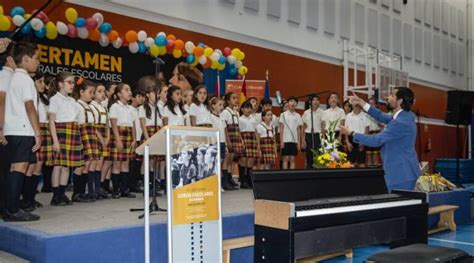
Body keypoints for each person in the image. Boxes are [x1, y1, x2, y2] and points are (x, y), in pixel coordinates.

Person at [340, 87, 420, 191]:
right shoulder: (405, 116)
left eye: (392, 95)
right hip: (403, 171)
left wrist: (351, 133)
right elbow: (380, 115)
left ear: (400, 101)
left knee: (397, 205)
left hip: (400, 173)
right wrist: (361, 102)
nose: (388, 97)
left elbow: (376, 141)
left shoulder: (400, 122)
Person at [3, 42, 41, 221]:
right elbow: (29, 106)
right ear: (25, 59)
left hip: (12, 129)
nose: (37, 62)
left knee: (13, 168)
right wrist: (38, 132)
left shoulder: (13, 78)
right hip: (23, 130)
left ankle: (9, 207)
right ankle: (12, 210)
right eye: (35, 59)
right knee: (20, 168)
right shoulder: (25, 79)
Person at [49, 71, 82, 206]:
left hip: (72, 131)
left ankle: (62, 194)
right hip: (60, 132)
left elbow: (77, 118)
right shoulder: (54, 99)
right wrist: (55, 141)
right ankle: (55, 196)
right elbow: (51, 121)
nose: (72, 85)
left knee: (67, 166)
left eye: (73, 82)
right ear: (60, 84)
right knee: (58, 165)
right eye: (69, 82)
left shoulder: (72, 100)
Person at [22, 73, 49, 211]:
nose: (43, 84)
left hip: (44, 129)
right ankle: (26, 200)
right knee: (30, 167)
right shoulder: (31, 98)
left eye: (44, 82)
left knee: (38, 167)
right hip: (34, 129)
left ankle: (31, 198)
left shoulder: (44, 99)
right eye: (40, 81)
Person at [72, 79, 100, 202]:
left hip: (90, 135)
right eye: (90, 92)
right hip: (81, 135)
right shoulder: (76, 105)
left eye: (93, 92)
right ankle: (76, 193)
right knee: (81, 165)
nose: (92, 95)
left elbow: (92, 125)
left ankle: (83, 192)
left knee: (88, 164)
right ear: (81, 92)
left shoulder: (89, 107)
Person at [108, 83, 137, 198]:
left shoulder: (131, 108)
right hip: (119, 134)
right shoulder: (115, 107)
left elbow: (133, 125)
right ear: (119, 94)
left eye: (130, 90)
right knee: (117, 163)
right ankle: (115, 190)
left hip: (128, 134)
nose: (129, 92)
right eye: (126, 90)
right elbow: (113, 124)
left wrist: (134, 139)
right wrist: (118, 139)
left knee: (126, 163)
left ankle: (124, 189)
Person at [0, 43, 15, 216]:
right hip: (4, 128)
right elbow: (1, 101)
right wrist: (1, 128)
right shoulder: (5, 75)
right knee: (4, 170)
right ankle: (4, 206)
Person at [89, 83, 111, 198]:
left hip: (103, 135)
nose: (103, 93)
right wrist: (101, 138)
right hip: (95, 134)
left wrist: (107, 136)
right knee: (95, 162)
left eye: (104, 91)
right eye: (99, 91)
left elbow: (107, 124)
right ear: (93, 94)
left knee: (100, 163)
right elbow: (93, 125)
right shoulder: (91, 106)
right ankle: (91, 189)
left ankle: (98, 188)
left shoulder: (104, 107)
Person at [209, 96, 235, 190]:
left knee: (221, 163)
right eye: (219, 105)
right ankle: (213, 184)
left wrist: (227, 143)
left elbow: (225, 131)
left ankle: (222, 183)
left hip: (222, 142)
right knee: (214, 164)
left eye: (223, 105)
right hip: (215, 142)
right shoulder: (210, 117)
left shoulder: (222, 117)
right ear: (213, 106)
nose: (222, 107)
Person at [279, 96, 303, 169]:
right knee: (285, 159)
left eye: (295, 102)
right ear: (288, 103)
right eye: (291, 101)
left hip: (294, 141)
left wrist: (299, 142)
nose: (293, 103)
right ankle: (285, 176)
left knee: (292, 159)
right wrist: (281, 141)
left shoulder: (298, 115)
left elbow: (298, 130)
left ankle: (291, 176)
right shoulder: (283, 114)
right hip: (285, 140)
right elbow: (281, 129)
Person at [239, 101, 259, 188]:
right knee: (243, 160)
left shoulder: (253, 118)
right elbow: (238, 132)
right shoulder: (240, 119)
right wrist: (241, 141)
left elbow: (256, 131)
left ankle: (249, 180)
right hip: (244, 138)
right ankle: (243, 181)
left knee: (251, 161)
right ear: (242, 109)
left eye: (250, 108)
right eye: (246, 108)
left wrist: (258, 143)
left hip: (252, 138)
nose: (248, 109)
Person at [302, 95, 323, 168]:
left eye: (317, 100)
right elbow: (303, 127)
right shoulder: (306, 113)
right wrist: (303, 139)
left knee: (318, 157)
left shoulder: (322, 112)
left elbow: (323, 126)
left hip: (318, 136)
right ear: (310, 102)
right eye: (313, 100)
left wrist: (323, 139)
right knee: (309, 157)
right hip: (308, 136)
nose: (315, 101)